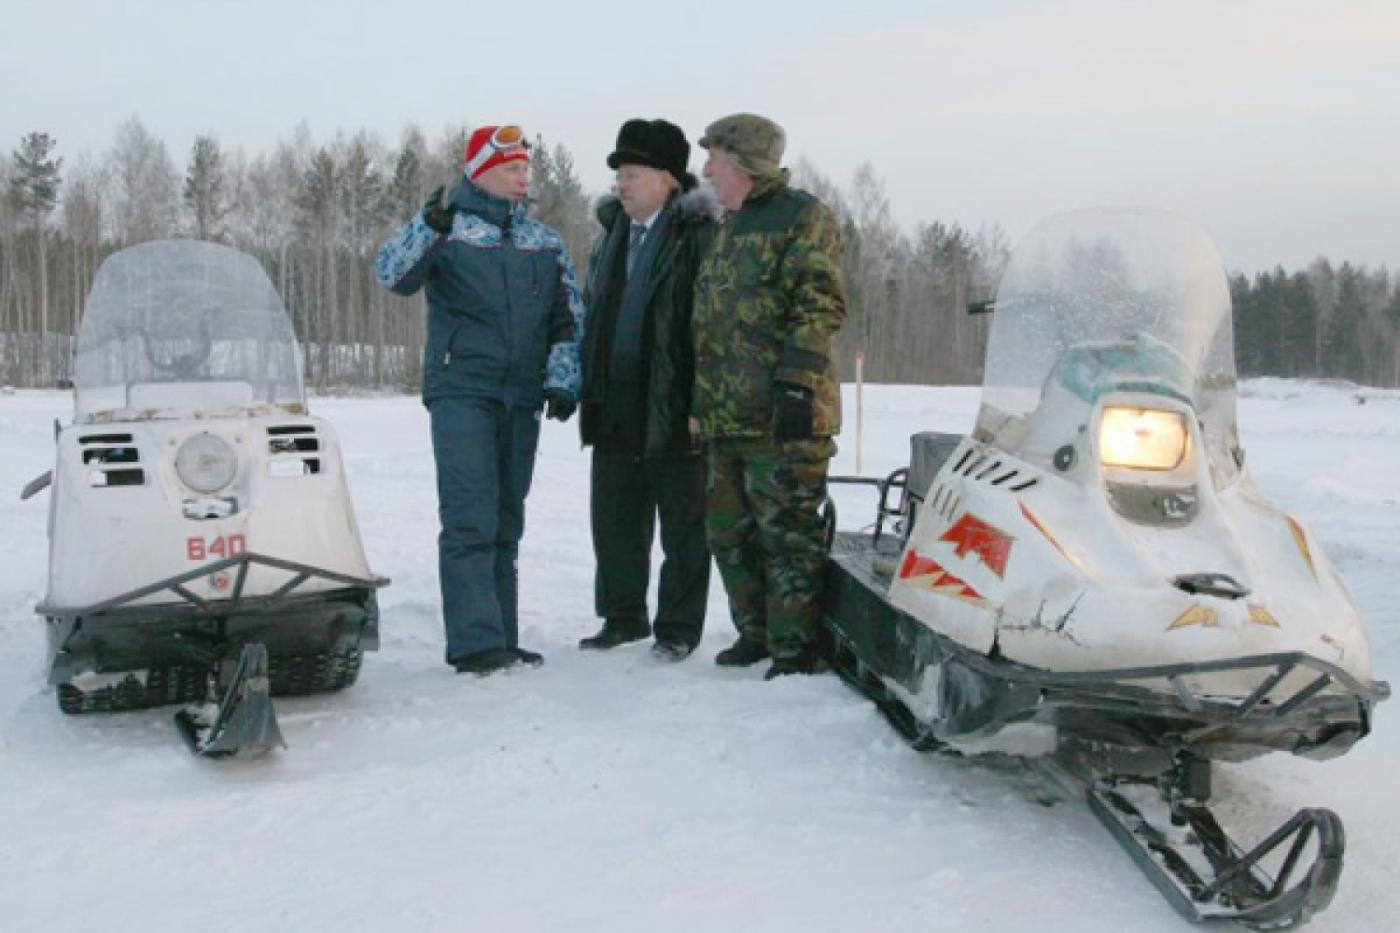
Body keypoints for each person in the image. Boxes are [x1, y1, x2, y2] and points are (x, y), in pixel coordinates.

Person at [374, 124, 584, 676]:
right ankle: (475, 644)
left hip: (520, 394)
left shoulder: (545, 240)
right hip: (462, 388)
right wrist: (427, 225)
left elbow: (569, 316)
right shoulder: (449, 229)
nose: (523, 179)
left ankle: (502, 637)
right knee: (470, 516)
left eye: (526, 169)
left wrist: (563, 378)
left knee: (506, 518)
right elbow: (391, 274)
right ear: (479, 172)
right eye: (512, 168)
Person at [691, 113, 846, 680]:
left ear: (745, 165)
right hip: (725, 416)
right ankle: (754, 633)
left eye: (715, 159)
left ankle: (794, 649)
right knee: (729, 535)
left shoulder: (802, 217)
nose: (705, 170)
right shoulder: (727, 227)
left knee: (787, 535)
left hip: (784, 416)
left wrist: (797, 383)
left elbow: (820, 302)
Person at [576, 118, 718, 661]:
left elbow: (711, 329)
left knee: (683, 523)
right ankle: (622, 616)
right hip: (614, 399)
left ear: (666, 178)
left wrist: (700, 402)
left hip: (673, 401)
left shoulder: (699, 236)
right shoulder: (613, 233)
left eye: (632, 173)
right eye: (618, 175)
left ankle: (678, 629)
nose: (621, 184)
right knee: (614, 515)